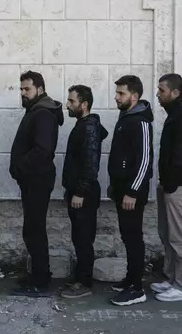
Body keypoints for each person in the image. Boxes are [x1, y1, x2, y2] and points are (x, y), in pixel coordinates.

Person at [9, 70, 64, 298]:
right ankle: (38, 275)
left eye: (27, 89)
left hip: (37, 179)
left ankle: (40, 281)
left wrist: (19, 167)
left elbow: (42, 150)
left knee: (35, 230)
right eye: (21, 89)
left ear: (39, 89)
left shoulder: (42, 113)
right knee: (32, 229)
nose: (23, 93)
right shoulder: (36, 110)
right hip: (32, 178)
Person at [152, 73, 182, 302]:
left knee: (180, 238)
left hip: (179, 186)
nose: (158, 94)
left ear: (175, 92)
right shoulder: (177, 112)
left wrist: (171, 182)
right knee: (167, 234)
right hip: (170, 184)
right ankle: (171, 279)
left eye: (162, 90)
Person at [107, 75, 153, 307]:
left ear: (134, 97)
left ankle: (136, 288)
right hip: (122, 191)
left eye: (121, 93)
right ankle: (130, 279)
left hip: (132, 194)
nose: (116, 97)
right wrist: (115, 186)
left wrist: (133, 192)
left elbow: (145, 160)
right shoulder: (125, 117)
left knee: (134, 238)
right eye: (117, 93)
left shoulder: (141, 121)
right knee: (127, 236)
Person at [60, 85, 107, 299]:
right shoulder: (85, 125)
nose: (67, 105)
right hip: (78, 190)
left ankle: (84, 283)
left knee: (83, 238)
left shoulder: (88, 128)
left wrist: (79, 192)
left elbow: (90, 164)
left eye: (71, 101)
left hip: (84, 193)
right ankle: (80, 276)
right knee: (79, 237)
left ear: (84, 104)